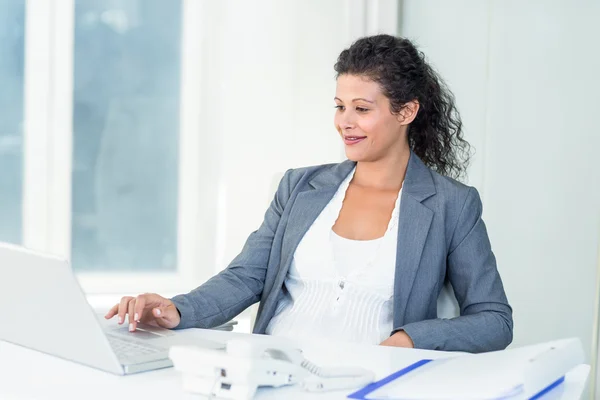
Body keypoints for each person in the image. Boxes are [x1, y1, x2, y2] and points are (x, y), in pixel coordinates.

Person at [105, 34, 513, 353]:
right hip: (271, 371)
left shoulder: (451, 204)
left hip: (370, 381)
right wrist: (177, 309)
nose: (345, 123)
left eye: (362, 109)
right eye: (339, 106)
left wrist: (411, 339)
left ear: (405, 112)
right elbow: (248, 276)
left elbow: (494, 319)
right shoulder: (299, 187)